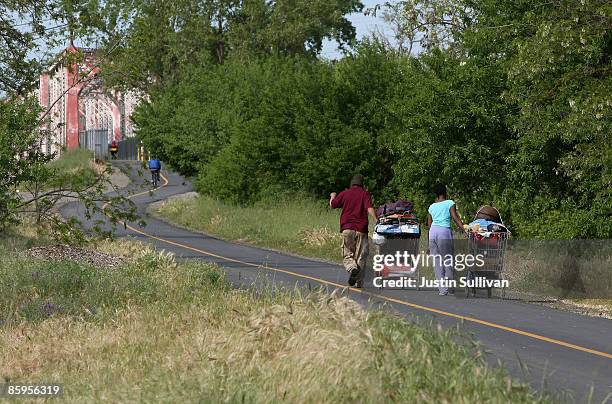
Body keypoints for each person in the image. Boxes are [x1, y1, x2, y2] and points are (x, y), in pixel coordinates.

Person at [330, 174, 378, 287]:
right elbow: (369, 208)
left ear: (352, 183)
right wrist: (376, 219)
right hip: (361, 229)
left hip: (347, 228)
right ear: (362, 184)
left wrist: (333, 196)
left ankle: (352, 269)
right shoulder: (364, 194)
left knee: (347, 253)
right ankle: (359, 282)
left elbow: (333, 205)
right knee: (361, 255)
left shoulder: (345, 193)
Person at [427, 183, 465, 296]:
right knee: (448, 259)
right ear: (445, 192)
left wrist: (429, 245)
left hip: (433, 232)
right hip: (444, 231)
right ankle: (450, 285)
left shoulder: (431, 206)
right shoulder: (450, 203)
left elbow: (429, 225)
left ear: (436, 194)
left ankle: (442, 290)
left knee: (437, 262)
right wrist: (464, 228)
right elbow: (455, 217)